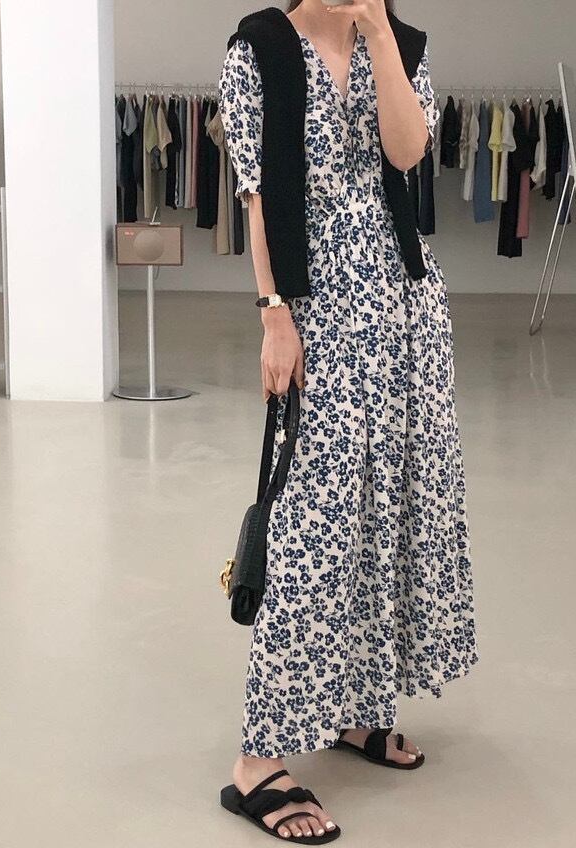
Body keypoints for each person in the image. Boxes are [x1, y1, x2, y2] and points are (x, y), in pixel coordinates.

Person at [218, 0, 478, 841]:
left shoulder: (400, 44)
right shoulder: (259, 47)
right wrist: (273, 313)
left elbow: (407, 151)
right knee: (315, 521)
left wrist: (378, 35)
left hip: (403, 307)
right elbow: (258, 196)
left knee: (389, 507)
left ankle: (355, 707)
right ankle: (258, 761)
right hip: (317, 307)